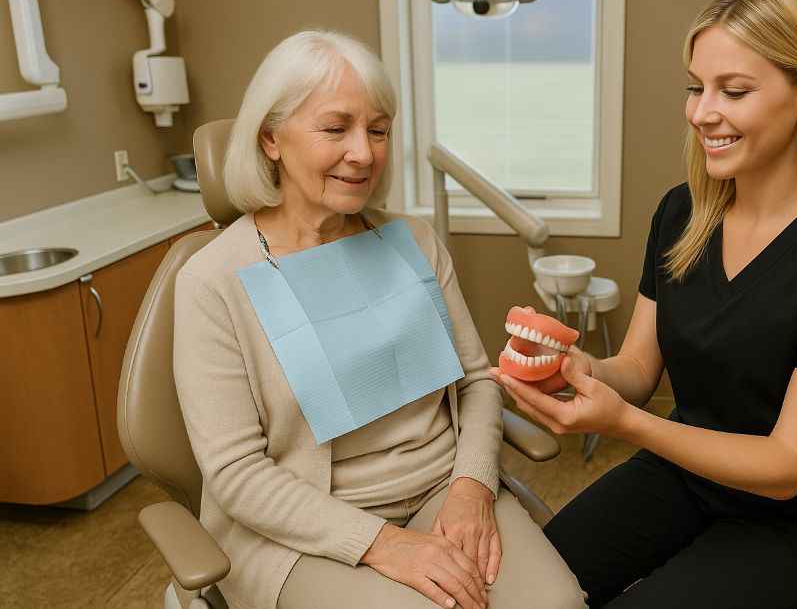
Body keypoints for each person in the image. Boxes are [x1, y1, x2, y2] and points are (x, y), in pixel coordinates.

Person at [492, 0, 797, 608]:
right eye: (696, 87)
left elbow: (788, 464)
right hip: (685, 478)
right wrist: (583, 373)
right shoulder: (683, 214)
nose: (700, 112)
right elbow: (636, 365)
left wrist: (626, 423)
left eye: (733, 90)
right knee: (527, 589)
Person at [174, 30, 584, 609]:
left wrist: (471, 485)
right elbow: (236, 472)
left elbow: (475, 382)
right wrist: (382, 544)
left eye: (378, 129)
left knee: (557, 604)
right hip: (298, 531)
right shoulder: (213, 281)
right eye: (335, 128)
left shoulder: (412, 240)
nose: (363, 152)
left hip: (443, 490)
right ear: (271, 138)